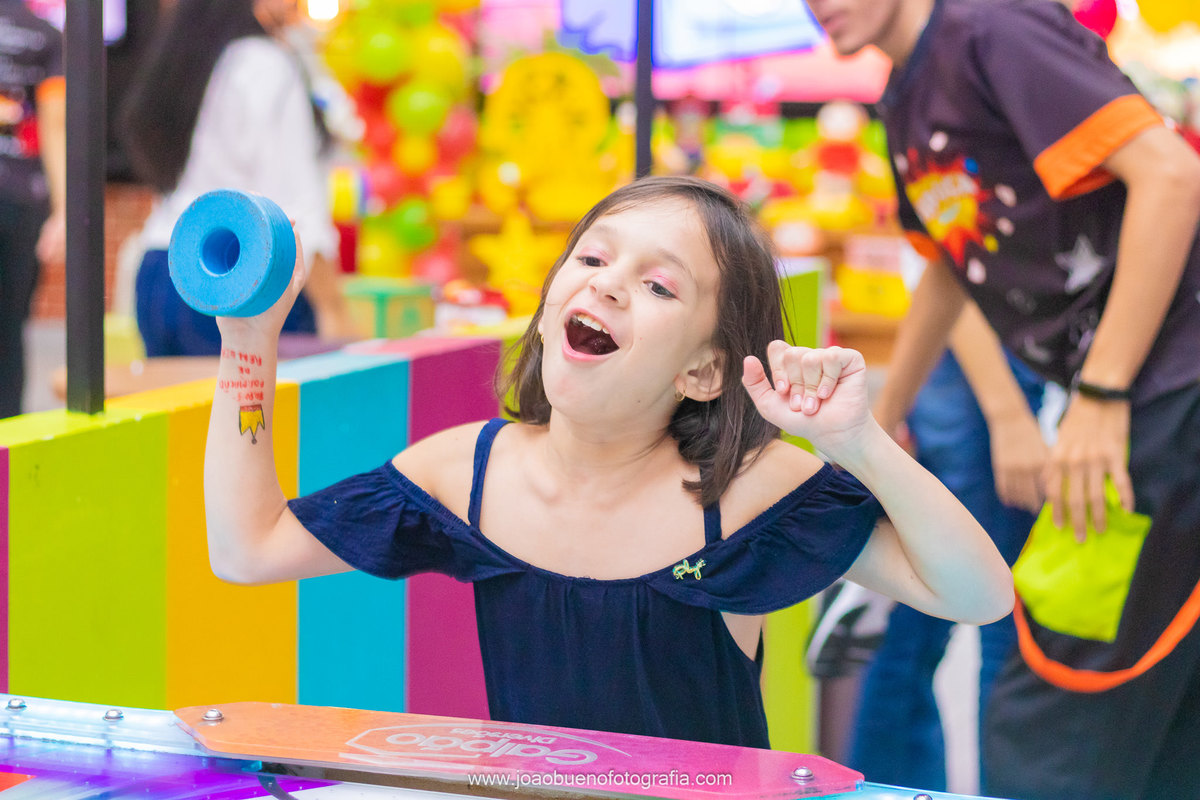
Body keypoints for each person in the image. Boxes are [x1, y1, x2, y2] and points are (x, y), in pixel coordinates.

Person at [202, 175, 1014, 748]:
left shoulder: (746, 495)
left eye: (660, 286)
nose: (610, 286)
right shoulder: (465, 475)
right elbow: (248, 547)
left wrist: (855, 445)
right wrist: (248, 345)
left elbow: (977, 594)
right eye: (592, 260)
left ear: (702, 370)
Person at [804, 0, 1200, 797]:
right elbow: (953, 266)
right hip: (1142, 401)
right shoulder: (906, 96)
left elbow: (1172, 173)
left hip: (1164, 394)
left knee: (1055, 693)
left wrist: (1100, 394)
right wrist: (867, 434)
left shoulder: (990, 28)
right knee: (1158, 712)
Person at [846, 303, 1047, 791]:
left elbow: (943, 276)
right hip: (993, 379)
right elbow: (952, 273)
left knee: (915, 623)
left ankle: (887, 786)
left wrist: (885, 417)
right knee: (1005, 629)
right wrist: (1008, 416)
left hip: (968, 376)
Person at [119, 0, 351, 358]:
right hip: (243, 280)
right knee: (258, 414)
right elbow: (294, 207)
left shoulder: (184, 62)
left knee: (181, 414)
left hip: (162, 271)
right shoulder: (265, 64)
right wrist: (334, 309)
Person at [0, 0, 65, 418]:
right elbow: (55, 124)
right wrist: (63, 212)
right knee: (9, 331)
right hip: (24, 198)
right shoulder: (47, 36)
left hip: (21, 201)